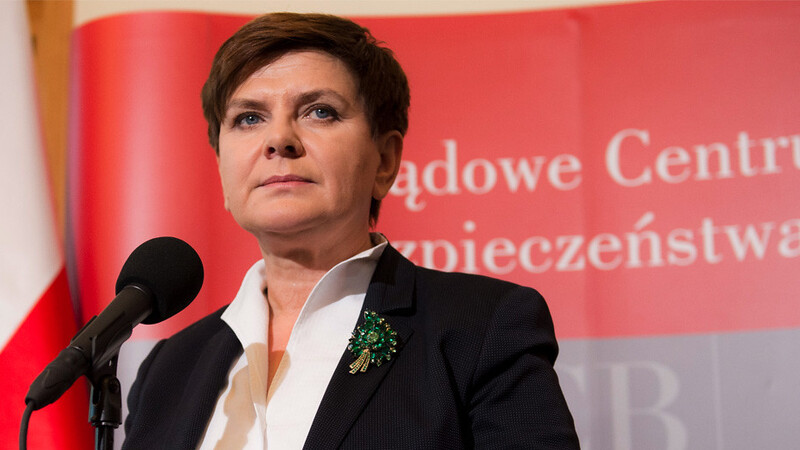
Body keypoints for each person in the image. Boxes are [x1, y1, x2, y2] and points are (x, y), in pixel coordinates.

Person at [122, 12, 579, 449]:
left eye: (319, 111)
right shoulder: (169, 368)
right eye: (249, 118)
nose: (278, 140)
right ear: (222, 166)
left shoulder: (481, 328)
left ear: (385, 161)